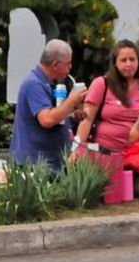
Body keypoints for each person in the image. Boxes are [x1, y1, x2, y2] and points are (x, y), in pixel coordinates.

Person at [11, 39, 88, 171]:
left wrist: (72, 118)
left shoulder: (49, 84)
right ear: (55, 64)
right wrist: (71, 101)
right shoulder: (34, 84)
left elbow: (54, 117)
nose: (70, 68)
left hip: (52, 163)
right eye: (68, 64)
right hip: (35, 166)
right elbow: (47, 119)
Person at [74, 39, 139, 155]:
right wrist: (76, 149)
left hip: (136, 155)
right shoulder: (102, 84)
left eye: (132, 59)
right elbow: (87, 119)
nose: (128, 64)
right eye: (123, 60)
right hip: (103, 154)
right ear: (115, 63)